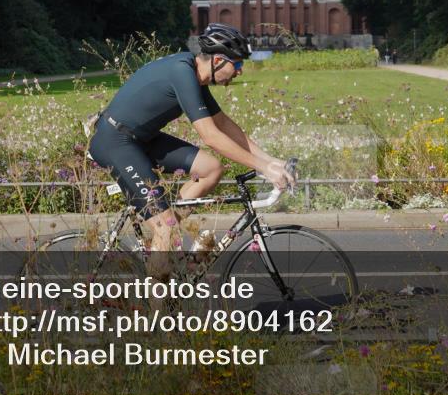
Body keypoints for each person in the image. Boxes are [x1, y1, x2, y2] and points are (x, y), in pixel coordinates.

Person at [86, 23, 295, 277]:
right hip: (115, 141)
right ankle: (159, 293)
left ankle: (163, 246)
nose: (240, 71)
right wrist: (263, 168)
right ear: (218, 60)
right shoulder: (182, 73)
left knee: (211, 169)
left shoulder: (195, 76)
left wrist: (271, 162)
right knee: (165, 227)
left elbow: (224, 125)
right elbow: (211, 137)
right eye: (237, 64)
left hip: (140, 139)